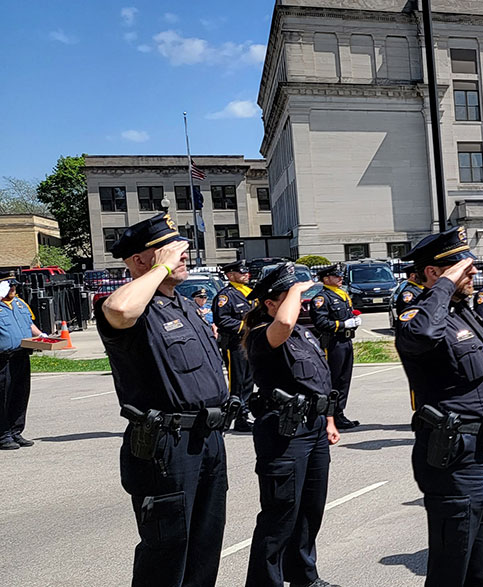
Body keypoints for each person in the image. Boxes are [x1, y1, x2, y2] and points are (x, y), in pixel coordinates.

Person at [99, 212, 235, 585]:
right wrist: (158, 271)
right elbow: (119, 310)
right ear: (141, 260)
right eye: (169, 249)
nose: (182, 254)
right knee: (167, 550)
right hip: (166, 446)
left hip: (207, 439)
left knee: (205, 545)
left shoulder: (185, 305)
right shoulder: (131, 308)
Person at [395, 227, 483, 587]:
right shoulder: (417, 316)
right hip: (453, 457)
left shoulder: (462, 313)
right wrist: (444, 285)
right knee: (452, 559)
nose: (472, 272)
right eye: (462, 266)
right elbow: (423, 335)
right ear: (432, 272)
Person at [242, 263, 343, 587]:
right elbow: (283, 321)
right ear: (270, 303)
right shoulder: (264, 334)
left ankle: (304, 578)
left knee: (309, 511)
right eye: (290, 297)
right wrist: (300, 286)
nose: (299, 304)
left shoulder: (303, 333)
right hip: (284, 431)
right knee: (280, 514)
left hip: (312, 428)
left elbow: (318, 380)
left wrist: (328, 419)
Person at [310, 264, 361, 430]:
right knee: (332, 379)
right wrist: (342, 324)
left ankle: (339, 413)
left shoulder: (342, 295)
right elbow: (321, 323)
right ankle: (328, 415)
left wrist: (353, 323)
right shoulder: (322, 298)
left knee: (344, 380)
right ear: (326, 279)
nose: (340, 278)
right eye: (336, 276)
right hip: (332, 343)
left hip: (346, 341)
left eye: (340, 276)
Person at [0, 276, 44, 451]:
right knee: (3, 396)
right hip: (2, 359)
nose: (13, 289)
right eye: (9, 286)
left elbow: (30, 324)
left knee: (20, 394)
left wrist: (42, 336)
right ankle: (3, 435)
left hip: (22, 355)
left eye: (14, 286)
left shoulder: (20, 304)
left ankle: (16, 431)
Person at [214, 260, 257, 432]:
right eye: (242, 272)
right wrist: (245, 327)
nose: (246, 275)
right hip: (235, 344)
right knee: (238, 381)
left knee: (249, 380)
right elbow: (222, 319)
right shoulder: (226, 296)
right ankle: (237, 415)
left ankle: (244, 414)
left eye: (246, 272)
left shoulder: (249, 292)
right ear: (230, 275)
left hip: (250, 343)